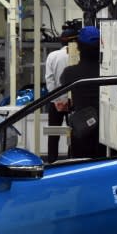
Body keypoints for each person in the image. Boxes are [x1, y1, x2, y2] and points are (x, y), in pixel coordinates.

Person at [60, 25, 104, 159]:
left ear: (78, 47)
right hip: (105, 134)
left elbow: (62, 85)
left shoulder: (70, 73)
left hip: (82, 130)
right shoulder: (108, 73)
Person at [44, 26, 78, 163]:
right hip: (73, 103)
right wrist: (68, 100)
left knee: (54, 134)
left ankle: (52, 161)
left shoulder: (52, 56)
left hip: (55, 103)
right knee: (75, 132)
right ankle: (73, 159)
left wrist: (58, 100)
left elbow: (49, 80)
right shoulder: (77, 56)